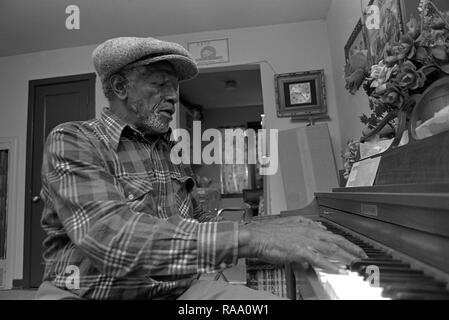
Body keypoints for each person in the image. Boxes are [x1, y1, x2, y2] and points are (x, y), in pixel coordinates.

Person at [35, 36, 366, 300]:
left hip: (179, 292)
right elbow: (112, 239)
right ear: (120, 87)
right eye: (160, 85)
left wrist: (278, 225)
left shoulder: (171, 148)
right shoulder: (73, 140)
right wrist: (254, 237)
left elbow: (199, 221)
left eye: (174, 88)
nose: (173, 97)